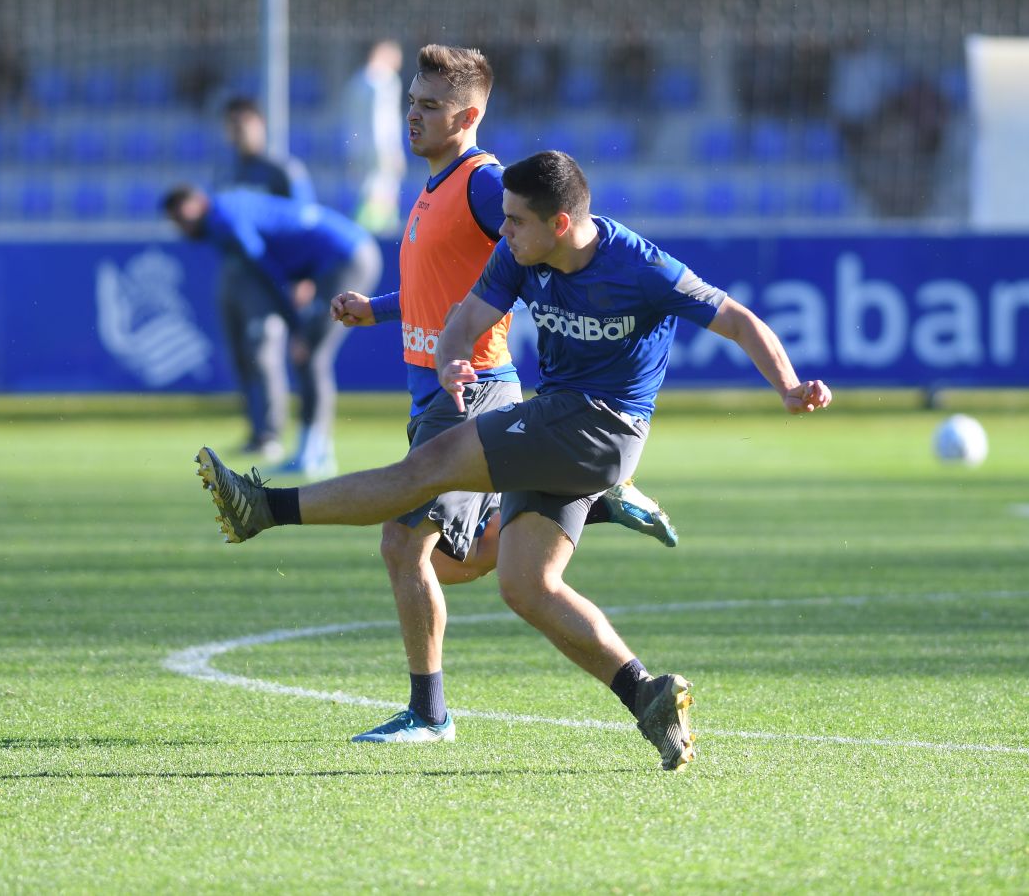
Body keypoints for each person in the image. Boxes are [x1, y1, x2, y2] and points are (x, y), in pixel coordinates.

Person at [193, 150, 832, 771]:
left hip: (601, 428)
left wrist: (788, 385)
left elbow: (740, 319)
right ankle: (647, 695)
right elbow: (466, 317)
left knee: (425, 470)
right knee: (524, 585)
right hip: (559, 422)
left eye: (516, 220)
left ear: (561, 223)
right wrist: (449, 357)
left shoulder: (640, 265)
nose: (503, 230)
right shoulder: (520, 254)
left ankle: (266, 509)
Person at [328, 44, 679, 744]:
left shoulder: (485, 184)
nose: (413, 116)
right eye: (412, 102)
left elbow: (536, 248)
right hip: (438, 389)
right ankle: (596, 498)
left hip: (476, 386)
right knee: (455, 565)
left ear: (470, 115)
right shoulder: (433, 185)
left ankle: (429, 716)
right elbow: (458, 281)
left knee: (402, 545)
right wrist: (379, 308)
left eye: (430, 105)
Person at [165, 185, 382, 478]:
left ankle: (313, 454)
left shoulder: (223, 219)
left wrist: (296, 327)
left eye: (183, 215)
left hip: (346, 259)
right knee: (309, 356)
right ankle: (315, 451)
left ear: (199, 202)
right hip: (344, 256)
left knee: (310, 355)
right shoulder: (228, 207)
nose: (183, 226)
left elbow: (264, 270)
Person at [211, 98, 316, 465]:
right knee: (241, 355)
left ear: (260, 125)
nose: (237, 132)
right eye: (231, 124)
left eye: (243, 123)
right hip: (233, 274)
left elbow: (305, 222)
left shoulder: (280, 171)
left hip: (268, 279)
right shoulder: (226, 173)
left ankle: (271, 432)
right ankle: (255, 431)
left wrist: (302, 278)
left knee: (263, 351)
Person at [342, 40, 406, 234]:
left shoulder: (358, 79)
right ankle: (377, 234)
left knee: (363, 190)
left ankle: (362, 231)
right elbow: (381, 120)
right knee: (381, 191)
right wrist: (389, 151)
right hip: (379, 149)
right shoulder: (385, 80)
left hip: (357, 148)